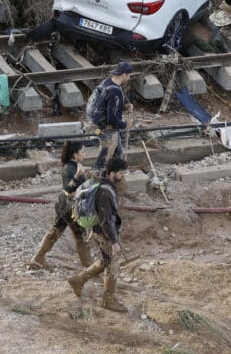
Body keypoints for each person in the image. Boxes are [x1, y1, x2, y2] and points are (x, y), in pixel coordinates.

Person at [66, 158, 128, 312]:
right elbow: (106, 220)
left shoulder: (102, 179)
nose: (123, 176)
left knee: (106, 260)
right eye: (121, 173)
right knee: (112, 263)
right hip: (103, 232)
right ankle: (109, 300)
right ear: (112, 173)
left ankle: (79, 280)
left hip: (99, 230)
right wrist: (114, 242)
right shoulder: (105, 193)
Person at [27, 141, 92, 270]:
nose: (85, 154)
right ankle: (89, 267)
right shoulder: (70, 168)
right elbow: (68, 188)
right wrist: (78, 176)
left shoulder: (75, 165)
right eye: (83, 151)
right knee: (80, 236)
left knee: (56, 230)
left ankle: (38, 258)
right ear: (75, 154)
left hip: (64, 205)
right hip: (70, 205)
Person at [88, 61, 133, 171]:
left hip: (97, 122)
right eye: (129, 75)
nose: (129, 78)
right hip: (108, 128)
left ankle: (117, 173)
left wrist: (124, 106)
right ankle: (99, 174)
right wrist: (125, 124)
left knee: (118, 153)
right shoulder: (115, 91)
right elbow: (112, 119)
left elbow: (106, 104)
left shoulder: (107, 82)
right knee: (105, 156)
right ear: (124, 75)